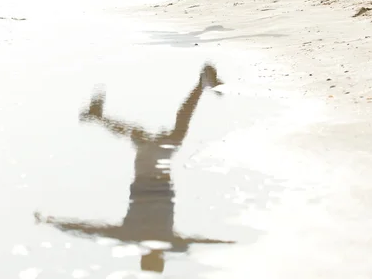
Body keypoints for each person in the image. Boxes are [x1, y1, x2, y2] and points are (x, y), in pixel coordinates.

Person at [34, 64, 234, 274]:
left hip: (151, 176)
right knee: (147, 136)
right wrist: (228, 244)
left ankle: (201, 83)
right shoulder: (139, 239)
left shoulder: (155, 240)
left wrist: (55, 222)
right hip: (147, 176)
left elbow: (90, 230)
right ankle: (97, 116)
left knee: (170, 134)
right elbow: (91, 231)